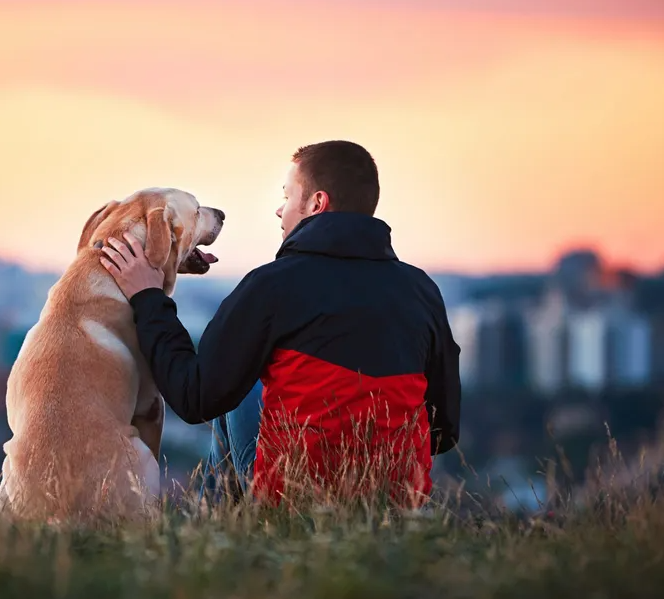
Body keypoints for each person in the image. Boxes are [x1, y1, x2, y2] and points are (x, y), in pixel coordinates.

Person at [99, 140, 461, 506]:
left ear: (317, 203)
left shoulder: (272, 285)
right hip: (396, 499)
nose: (279, 209)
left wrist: (148, 298)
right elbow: (443, 430)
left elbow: (193, 397)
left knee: (236, 384)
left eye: (287, 196)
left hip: (294, 496)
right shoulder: (422, 291)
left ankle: (217, 525)